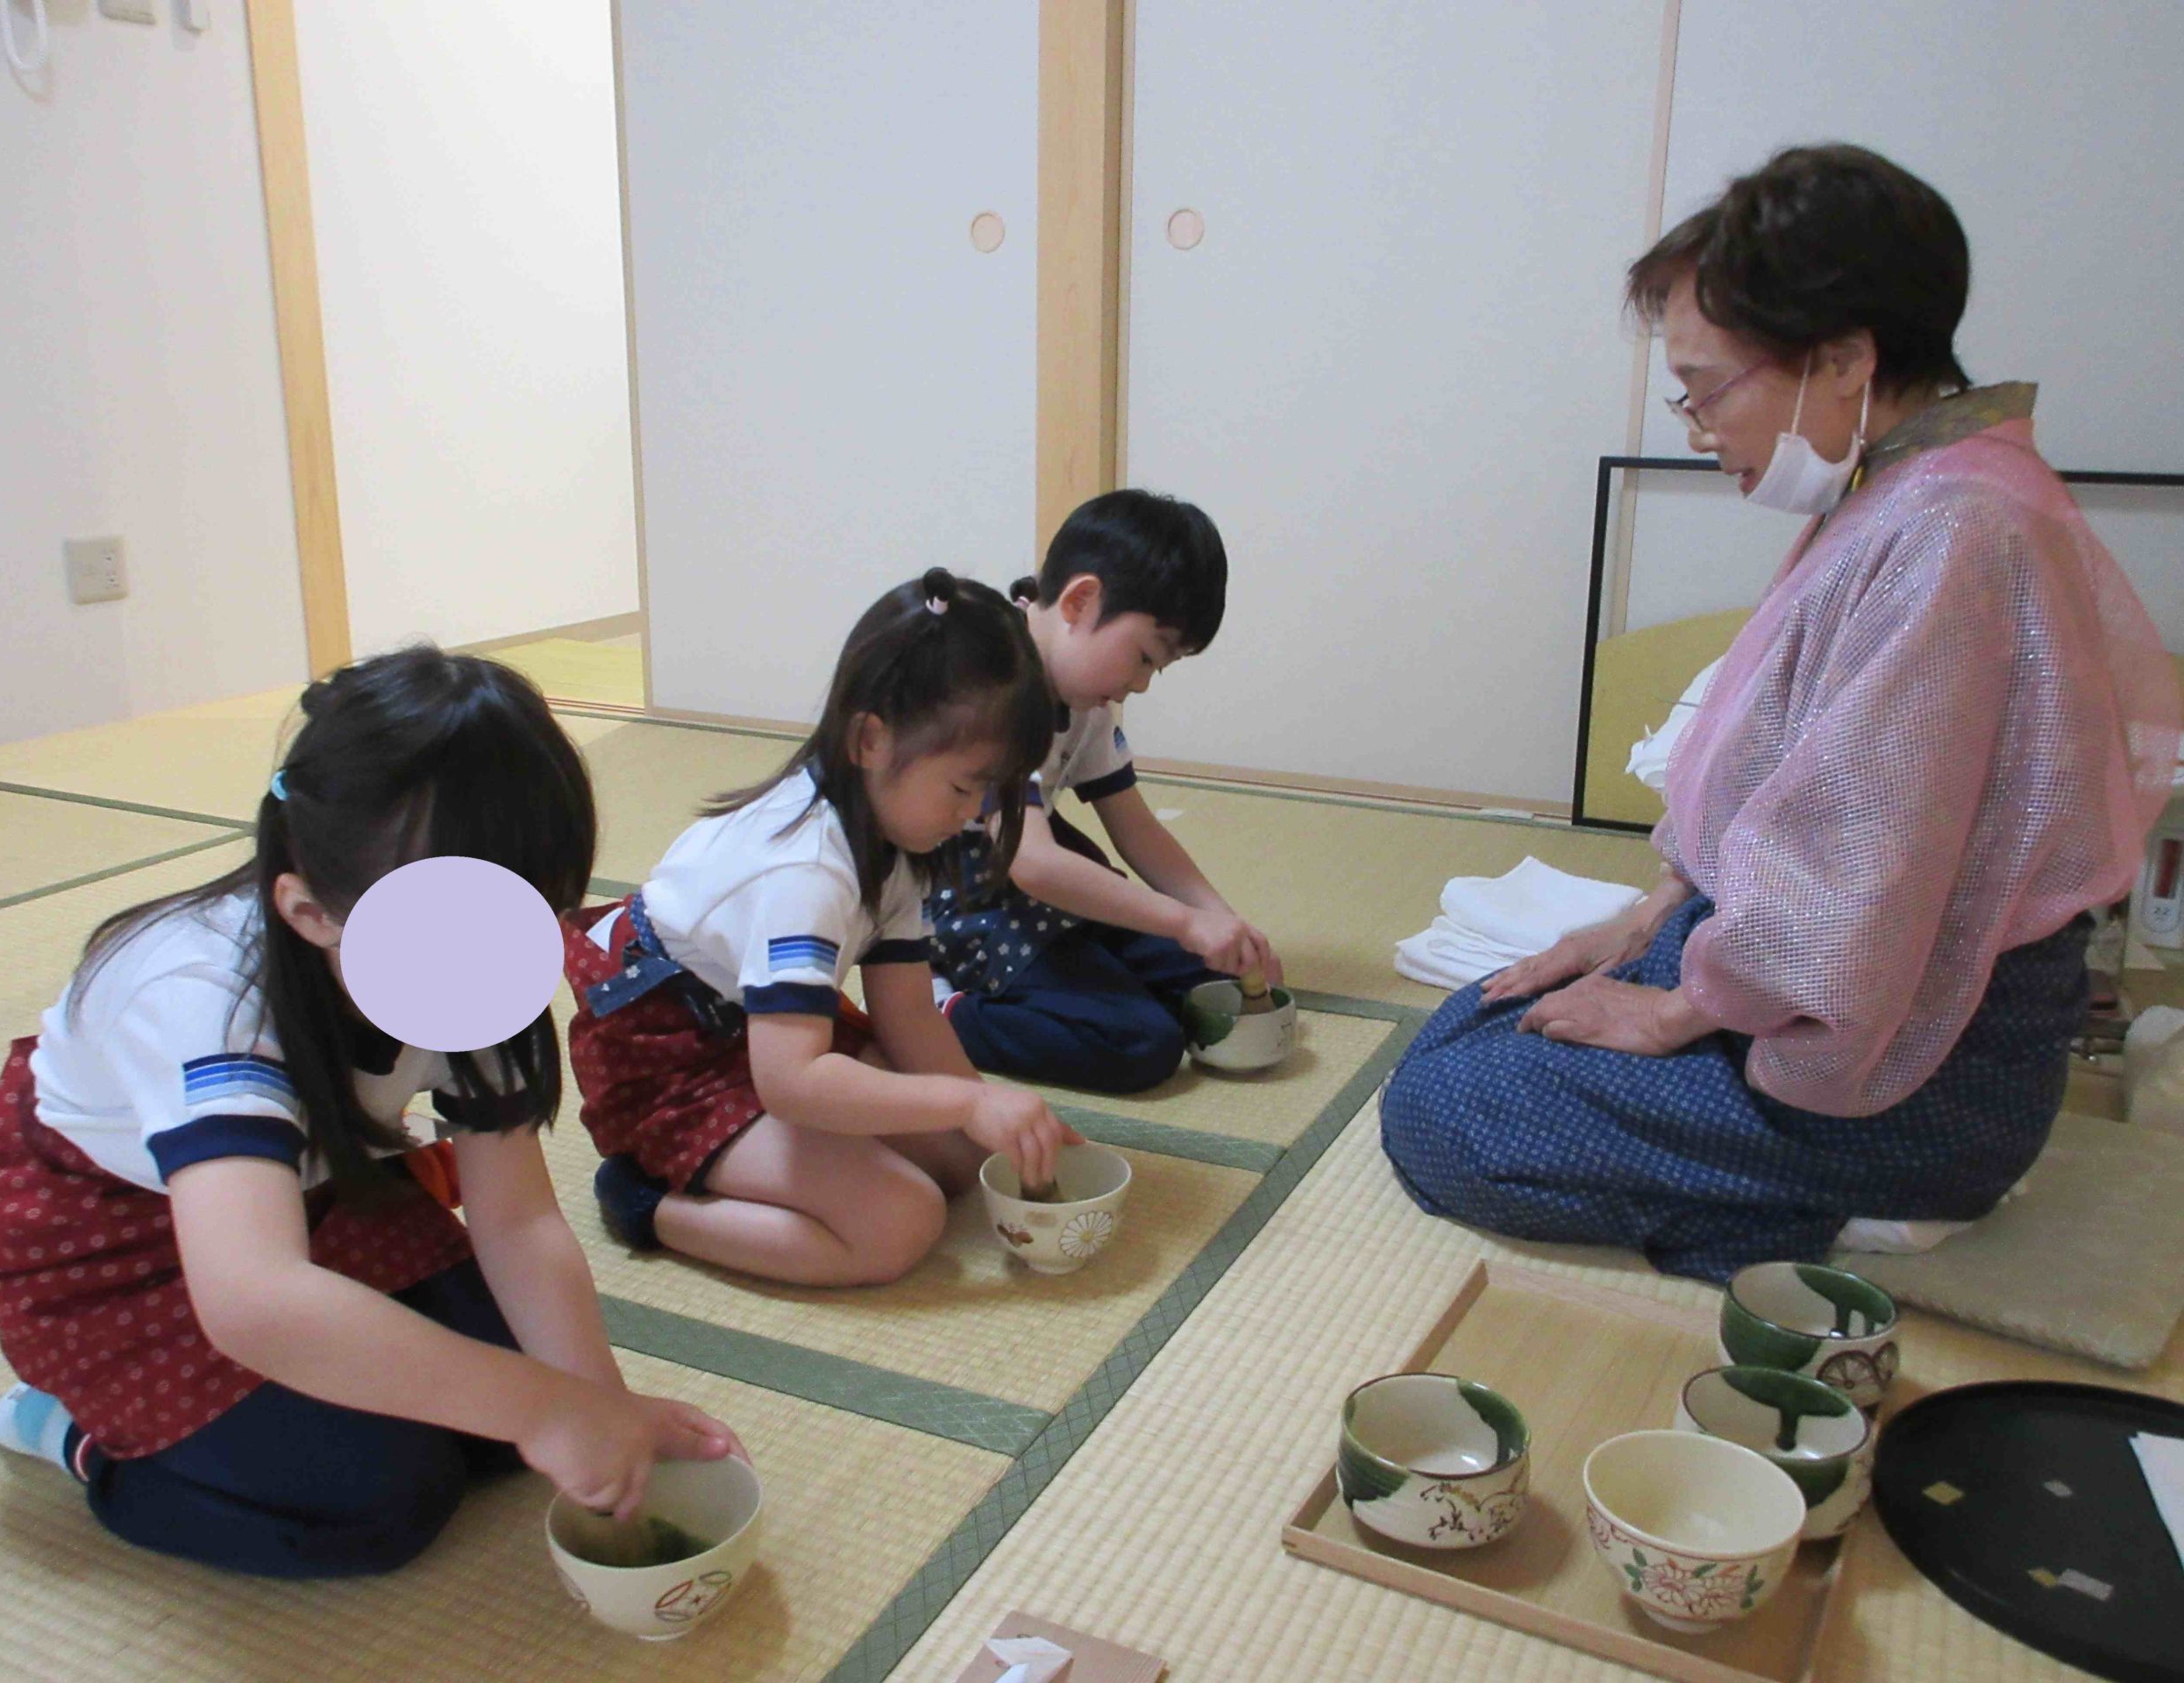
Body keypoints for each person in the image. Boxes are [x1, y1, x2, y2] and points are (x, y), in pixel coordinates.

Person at [1381, 144, 2180, 1282]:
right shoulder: (1912, 488)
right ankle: (1777, 1192)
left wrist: (1670, 1011)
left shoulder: (1956, 534)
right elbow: (1796, 795)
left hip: (1917, 1063)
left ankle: (1865, 1211)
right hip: (1825, 980)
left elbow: (1855, 887)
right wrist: (1649, 917)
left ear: (1845, 357)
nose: (1697, 422)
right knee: (1483, 1014)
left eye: (1707, 386)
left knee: (1449, 1112)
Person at [0, 649, 740, 1577]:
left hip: (314, 1201)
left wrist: (595, 1406)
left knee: (501, 1418)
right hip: (118, 1246)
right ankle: (74, 1434)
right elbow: (254, 1299)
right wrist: (545, 1409)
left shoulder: (475, 958)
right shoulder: (201, 997)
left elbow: (520, 1219)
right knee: (384, 1499)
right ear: (308, 911)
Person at [572, 568, 1080, 1285]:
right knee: (901, 1220)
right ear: (869, 739)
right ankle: (649, 1205)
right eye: (965, 787)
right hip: (670, 1049)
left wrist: (996, 1119)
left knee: (966, 1163)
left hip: (770, 1028)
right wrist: (969, 1098)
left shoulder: (897, 833)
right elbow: (791, 1083)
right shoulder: (803, 875)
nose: (974, 815)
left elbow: (908, 1014)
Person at [930, 490, 1284, 1094]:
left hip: (1029, 870)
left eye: (1157, 669)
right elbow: (1033, 862)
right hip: (951, 895)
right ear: (1080, 600)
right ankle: (941, 1011)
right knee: (1141, 1044)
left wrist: (1221, 922)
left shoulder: (1084, 690)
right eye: (1143, 657)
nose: (1140, 685)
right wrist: (1181, 921)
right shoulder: (995, 682)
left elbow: (1135, 826)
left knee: (1206, 977)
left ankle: (1078, 976)